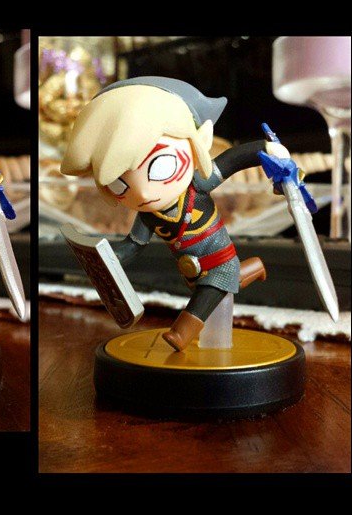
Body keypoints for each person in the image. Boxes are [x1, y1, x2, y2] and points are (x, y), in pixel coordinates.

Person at [61, 76, 291, 351]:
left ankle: (181, 333)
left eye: (160, 167)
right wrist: (109, 259)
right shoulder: (148, 215)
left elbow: (232, 160)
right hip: (191, 269)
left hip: (220, 260)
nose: (144, 193)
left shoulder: (198, 185)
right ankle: (254, 267)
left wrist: (266, 149)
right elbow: (132, 245)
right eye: (118, 183)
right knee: (215, 286)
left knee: (212, 289)